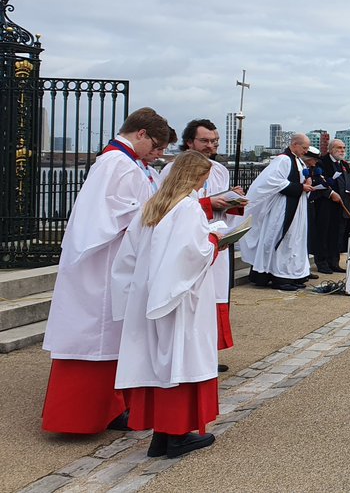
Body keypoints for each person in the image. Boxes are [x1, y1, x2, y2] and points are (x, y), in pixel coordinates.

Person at [41, 107, 171, 435]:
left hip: (114, 262)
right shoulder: (117, 164)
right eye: (156, 145)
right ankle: (84, 416)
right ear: (140, 134)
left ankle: (111, 409)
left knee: (112, 340)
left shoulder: (128, 164)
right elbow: (115, 217)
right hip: (102, 265)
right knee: (96, 339)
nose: (157, 154)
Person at [111, 150, 221, 458]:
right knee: (180, 359)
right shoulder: (187, 208)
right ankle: (177, 436)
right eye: (202, 178)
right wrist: (214, 242)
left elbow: (130, 256)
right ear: (193, 177)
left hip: (149, 294)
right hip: (179, 298)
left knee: (157, 363)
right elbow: (190, 255)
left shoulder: (153, 206)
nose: (203, 184)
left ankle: (160, 435)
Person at [161, 118, 244, 370]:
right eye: (205, 141)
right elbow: (169, 208)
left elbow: (218, 204)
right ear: (189, 142)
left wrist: (233, 200)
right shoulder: (173, 169)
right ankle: (189, 357)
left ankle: (208, 353)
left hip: (215, 241)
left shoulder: (219, 170)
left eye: (214, 141)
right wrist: (210, 204)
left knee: (216, 297)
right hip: (191, 246)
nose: (211, 146)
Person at [241, 134, 320, 291]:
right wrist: (300, 187)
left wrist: (306, 183)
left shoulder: (297, 160)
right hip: (283, 207)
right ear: (295, 145)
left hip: (297, 207)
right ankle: (279, 276)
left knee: (295, 241)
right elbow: (272, 180)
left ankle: (292, 275)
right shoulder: (284, 159)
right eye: (304, 148)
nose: (305, 151)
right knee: (284, 240)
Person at [309, 139, 350, 274]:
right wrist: (330, 193)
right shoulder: (322, 163)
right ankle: (322, 262)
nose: (342, 150)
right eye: (339, 148)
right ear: (330, 149)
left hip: (343, 205)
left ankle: (334, 262)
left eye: (343, 148)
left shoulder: (345, 165)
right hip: (327, 206)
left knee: (339, 235)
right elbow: (317, 181)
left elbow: (349, 182)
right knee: (325, 234)